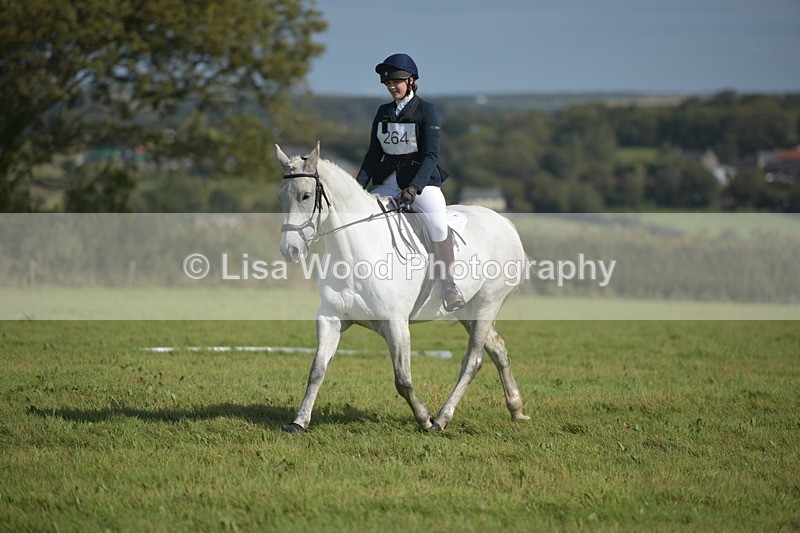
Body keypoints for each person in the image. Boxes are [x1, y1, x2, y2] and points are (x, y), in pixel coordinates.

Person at [356, 53, 465, 312]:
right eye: (388, 83)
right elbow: (373, 154)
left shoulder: (427, 110)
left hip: (421, 182)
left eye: (396, 81)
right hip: (387, 181)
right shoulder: (383, 112)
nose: (392, 86)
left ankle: (449, 284)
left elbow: (431, 156)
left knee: (438, 224)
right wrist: (357, 186)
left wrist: (414, 188)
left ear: (411, 80)